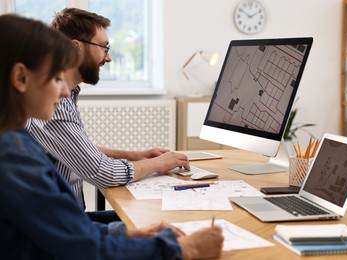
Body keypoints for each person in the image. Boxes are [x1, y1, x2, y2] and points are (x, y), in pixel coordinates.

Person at [0, 14, 224, 259]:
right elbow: (83, 249)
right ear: (21, 78)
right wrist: (184, 249)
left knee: (134, 220)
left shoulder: (16, 139)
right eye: (56, 78)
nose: (64, 91)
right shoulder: (12, 154)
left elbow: (65, 229)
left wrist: (122, 233)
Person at [26, 8, 190, 218]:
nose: (109, 57)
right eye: (104, 48)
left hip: (66, 220)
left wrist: (137, 155)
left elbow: (76, 148)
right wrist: (158, 164)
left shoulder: (63, 95)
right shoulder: (54, 107)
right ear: (76, 48)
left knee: (152, 217)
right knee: (161, 221)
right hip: (60, 228)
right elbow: (105, 174)